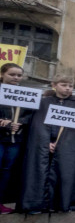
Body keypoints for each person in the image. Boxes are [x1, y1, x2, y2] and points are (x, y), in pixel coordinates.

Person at [22, 75, 75, 214]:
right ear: (54, 85)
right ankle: (38, 204)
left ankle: (61, 203)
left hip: (67, 147)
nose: (67, 88)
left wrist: (63, 144)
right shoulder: (43, 103)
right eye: (64, 85)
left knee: (64, 175)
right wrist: (45, 143)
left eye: (70, 86)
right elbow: (36, 125)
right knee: (40, 174)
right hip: (45, 144)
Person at [0, 63, 30, 212]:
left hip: (15, 141)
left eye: (19, 75)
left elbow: (31, 115)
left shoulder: (26, 94)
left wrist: (21, 122)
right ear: (2, 75)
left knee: (6, 171)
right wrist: (2, 122)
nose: (16, 77)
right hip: (0, 138)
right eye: (12, 74)